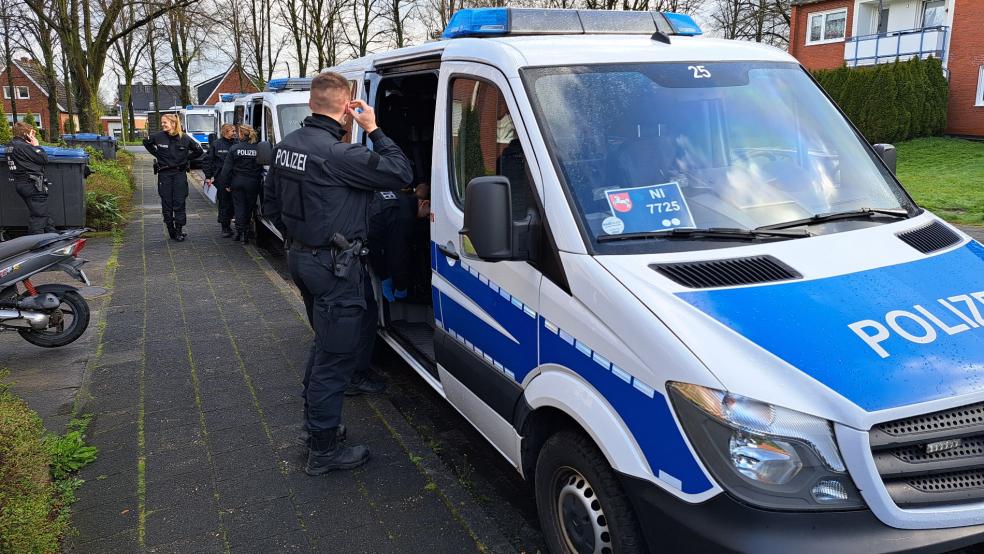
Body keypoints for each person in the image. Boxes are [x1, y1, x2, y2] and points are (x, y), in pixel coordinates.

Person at [263, 71, 412, 475]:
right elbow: (401, 173)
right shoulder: (340, 155)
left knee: (324, 344)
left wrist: (302, 239)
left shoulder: (287, 146)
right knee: (334, 357)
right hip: (334, 267)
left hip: (303, 259)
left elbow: (271, 205)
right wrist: (374, 128)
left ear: (312, 102)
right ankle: (323, 451)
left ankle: (318, 429)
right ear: (348, 107)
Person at [143, 113, 204, 241]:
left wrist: (185, 159)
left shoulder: (185, 138)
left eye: (165, 122)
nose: (162, 124)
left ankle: (179, 230)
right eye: (162, 122)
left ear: (173, 123)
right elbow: (146, 142)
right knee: (166, 202)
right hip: (164, 174)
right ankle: (170, 229)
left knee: (179, 202)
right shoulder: (158, 137)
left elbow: (199, 151)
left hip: (179, 174)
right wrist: (157, 155)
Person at [7, 122, 55, 235]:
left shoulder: (11, 145)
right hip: (32, 184)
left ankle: (53, 237)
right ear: (26, 134)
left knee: (42, 212)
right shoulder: (24, 147)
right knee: (39, 216)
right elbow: (44, 159)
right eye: (31, 133)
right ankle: (35, 244)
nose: (33, 135)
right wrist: (36, 145)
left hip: (22, 184)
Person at [219, 125, 264, 244]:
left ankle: (240, 232)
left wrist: (226, 184)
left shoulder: (234, 148)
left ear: (241, 134)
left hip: (237, 182)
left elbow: (226, 170)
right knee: (249, 208)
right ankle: (245, 234)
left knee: (239, 207)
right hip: (252, 183)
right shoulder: (258, 148)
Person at [204, 124, 237, 237]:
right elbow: (207, 161)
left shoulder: (236, 144)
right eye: (232, 131)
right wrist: (208, 176)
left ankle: (236, 224)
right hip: (221, 178)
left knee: (235, 202)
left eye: (234, 131)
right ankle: (225, 227)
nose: (234, 132)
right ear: (225, 132)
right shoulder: (216, 144)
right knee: (224, 203)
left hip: (235, 178)